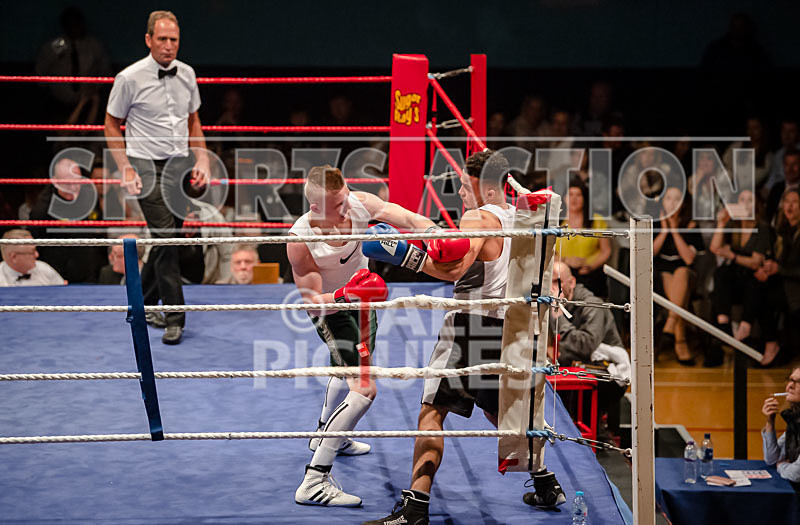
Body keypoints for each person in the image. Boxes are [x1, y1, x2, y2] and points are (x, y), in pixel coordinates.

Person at [362, 150, 565, 525]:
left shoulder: (477, 217)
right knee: (494, 409)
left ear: (486, 186)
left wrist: (406, 257)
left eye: (466, 184)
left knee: (432, 412)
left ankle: (415, 508)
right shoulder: (520, 218)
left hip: (469, 328)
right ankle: (545, 481)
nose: (459, 191)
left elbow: (453, 268)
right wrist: (382, 210)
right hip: (508, 327)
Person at [288, 165, 453, 507]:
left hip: (365, 301)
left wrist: (437, 233)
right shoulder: (301, 240)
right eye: (339, 205)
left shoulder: (359, 203)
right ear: (317, 208)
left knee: (345, 372)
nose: (348, 208)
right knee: (364, 389)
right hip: (334, 311)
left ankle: (329, 434)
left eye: (346, 197)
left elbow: (406, 218)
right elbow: (312, 305)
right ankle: (315, 479)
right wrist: (345, 295)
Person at [104, 10, 210, 345]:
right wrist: (125, 166)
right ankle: (174, 316)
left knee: (168, 238)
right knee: (166, 236)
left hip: (178, 163)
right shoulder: (129, 78)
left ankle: (143, 303)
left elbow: (194, 120)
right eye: (161, 39)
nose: (168, 46)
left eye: (173, 40)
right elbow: (110, 124)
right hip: (144, 163)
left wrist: (203, 158)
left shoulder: (188, 74)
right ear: (148, 39)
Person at [549, 262, 630, 418]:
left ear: (571, 282)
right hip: (575, 366)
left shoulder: (593, 305)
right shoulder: (554, 302)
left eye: (556, 282)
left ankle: (599, 436)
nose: (551, 288)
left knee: (577, 411)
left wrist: (559, 315)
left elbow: (585, 346)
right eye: (548, 282)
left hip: (610, 373)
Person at [709, 190, 776, 366]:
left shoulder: (762, 228)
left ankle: (745, 325)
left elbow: (756, 262)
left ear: (756, 205)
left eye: (750, 200)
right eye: (742, 200)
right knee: (720, 273)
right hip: (736, 279)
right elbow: (715, 248)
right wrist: (721, 223)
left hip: (754, 280)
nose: (745, 204)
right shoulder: (734, 225)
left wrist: (733, 255)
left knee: (756, 280)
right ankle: (723, 322)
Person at [654, 187, 705, 365]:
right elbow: (649, 253)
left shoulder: (691, 225)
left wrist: (675, 230)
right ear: (662, 202)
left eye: (677, 199)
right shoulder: (654, 224)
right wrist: (665, 230)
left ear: (683, 204)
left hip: (688, 276)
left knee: (681, 272)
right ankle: (680, 341)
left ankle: (670, 323)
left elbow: (689, 259)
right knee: (671, 282)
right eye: (668, 198)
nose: (672, 203)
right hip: (662, 277)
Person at [756, 188, 800, 366]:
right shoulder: (781, 231)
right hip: (784, 285)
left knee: (762, 292)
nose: (789, 206)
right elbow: (777, 260)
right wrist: (767, 268)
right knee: (756, 285)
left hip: (795, 288)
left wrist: (778, 269)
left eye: (794, 202)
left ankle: (772, 343)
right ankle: (770, 343)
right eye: (786, 202)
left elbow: (792, 269)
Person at [555, 175, 611, 297]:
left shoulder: (597, 221)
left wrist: (590, 266)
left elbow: (605, 251)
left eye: (578, 195)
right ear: (564, 198)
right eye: (570, 194)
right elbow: (551, 253)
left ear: (585, 198)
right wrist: (565, 261)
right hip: (563, 274)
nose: (574, 199)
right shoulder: (557, 223)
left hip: (591, 275)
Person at [761, 366, 800, 483]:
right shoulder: (794, 419)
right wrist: (770, 422)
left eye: (798, 382)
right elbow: (772, 459)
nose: (790, 386)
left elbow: (795, 474)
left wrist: (781, 466)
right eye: (790, 380)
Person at [0, 229, 65, 286]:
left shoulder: (44, 268)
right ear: (14, 257)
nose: (37, 255)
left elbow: (63, 294)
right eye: (32, 252)